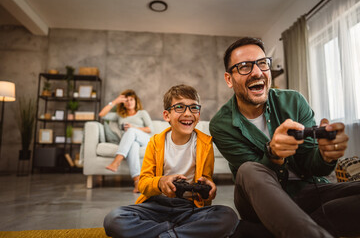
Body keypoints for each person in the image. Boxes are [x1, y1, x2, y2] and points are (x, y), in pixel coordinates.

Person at [210, 37, 360, 238]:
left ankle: (279, 231)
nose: (257, 72)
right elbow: (254, 179)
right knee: (248, 169)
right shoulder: (221, 124)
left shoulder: (294, 101)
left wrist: (326, 155)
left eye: (262, 63)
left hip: (307, 192)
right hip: (258, 203)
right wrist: (273, 154)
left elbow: (312, 166)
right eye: (245, 66)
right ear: (229, 79)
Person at [103, 84, 238, 238]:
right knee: (114, 219)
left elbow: (205, 180)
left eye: (194, 107)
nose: (188, 113)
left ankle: (165, 234)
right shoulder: (155, 142)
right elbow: (143, 183)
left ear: (199, 114)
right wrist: (160, 182)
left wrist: (208, 186)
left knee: (228, 217)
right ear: (167, 115)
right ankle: (176, 232)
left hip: (189, 208)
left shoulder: (205, 143)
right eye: (180, 107)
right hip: (155, 205)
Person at [99, 89, 153, 193]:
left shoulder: (142, 113)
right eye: (126, 100)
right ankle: (137, 182)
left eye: (131, 99)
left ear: (136, 101)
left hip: (145, 139)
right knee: (133, 145)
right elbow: (102, 115)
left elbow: (150, 129)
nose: (129, 102)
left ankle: (117, 161)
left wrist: (134, 128)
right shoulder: (120, 115)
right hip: (131, 141)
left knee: (131, 131)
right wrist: (115, 101)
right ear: (123, 103)